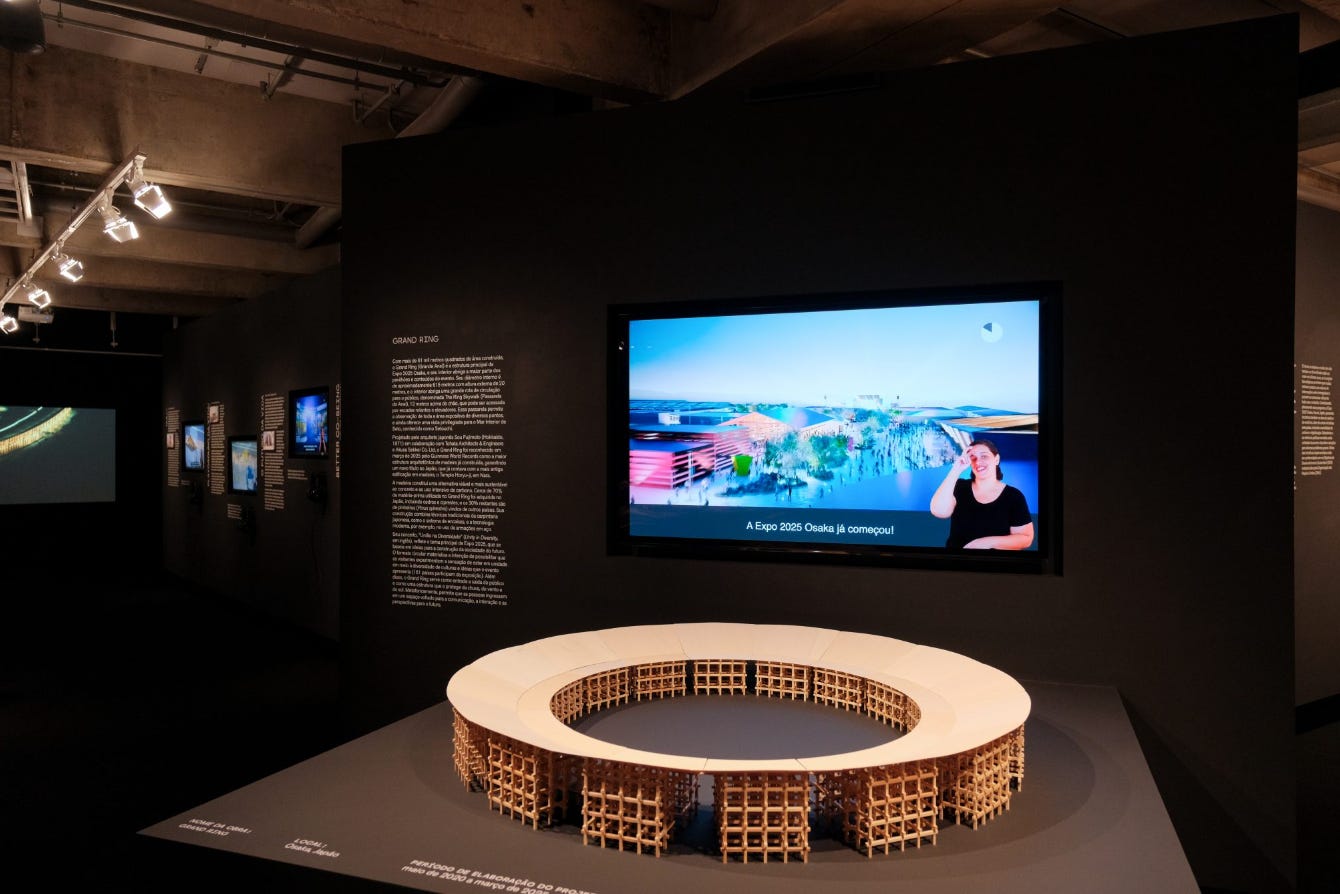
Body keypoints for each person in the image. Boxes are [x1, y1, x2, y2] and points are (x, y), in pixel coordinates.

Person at [929, 438, 1034, 549]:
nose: (978, 462)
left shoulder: (1013, 496)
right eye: (972, 457)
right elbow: (939, 512)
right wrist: (956, 469)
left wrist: (984, 543)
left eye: (984, 456)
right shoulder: (960, 487)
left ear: (996, 459)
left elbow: (1025, 538)